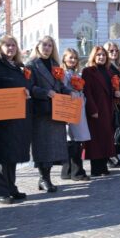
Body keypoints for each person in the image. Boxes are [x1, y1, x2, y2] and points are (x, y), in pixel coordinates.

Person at [0, 36, 33, 204]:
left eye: (14, 45)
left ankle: (11, 186)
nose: (11, 48)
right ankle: (0, 190)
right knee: (0, 154)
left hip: (18, 116)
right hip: (1, 116)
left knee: (12, 153)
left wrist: (26, 92)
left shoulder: (19, 67)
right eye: (7, 45)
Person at [25, 36, 71, 193]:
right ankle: (44, 178)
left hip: (57, 110)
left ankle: (45, 178)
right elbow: (30, 88)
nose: (47, 48)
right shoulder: (31, 65)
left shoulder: (55, 64)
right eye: (44, 45)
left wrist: (69, 92)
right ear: (38, 46)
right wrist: (46, 92)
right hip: (42, 110)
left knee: (54, 147)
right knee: (43, 146)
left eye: (50, 45)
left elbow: (60, 85)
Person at [82, 46, 117, 176]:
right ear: (93, 57)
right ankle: (96, 168)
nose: (101, 57)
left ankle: (103, 166)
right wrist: (92, 109)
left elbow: (110, 89)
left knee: (106, 138)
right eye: (98, 55)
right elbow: (87, 92)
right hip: (96, 109)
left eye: (103, 55)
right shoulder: (88, 71)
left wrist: (116, 93)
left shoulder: (108, 72)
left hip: (107, 108)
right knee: (96, 140)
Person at [59, 48, 91, 181]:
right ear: (64, 59)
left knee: (74, 140)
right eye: (70, 57)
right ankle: (76, 172)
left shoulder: (76, 73)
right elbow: (63, 90)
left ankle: (67, 171)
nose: (73, 60)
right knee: (73, 140)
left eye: (75, 58)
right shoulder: (64, 74)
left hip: (78, 107)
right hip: (70, 107)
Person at [103, 41, 120, 168]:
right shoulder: (107, 68)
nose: (114, 53)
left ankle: (114, 154)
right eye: (111, 51)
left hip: (119, 102)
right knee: (111, 130)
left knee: (117, 129)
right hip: (111, 102)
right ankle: (110, 157)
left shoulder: (119, 66)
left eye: (116, 50)